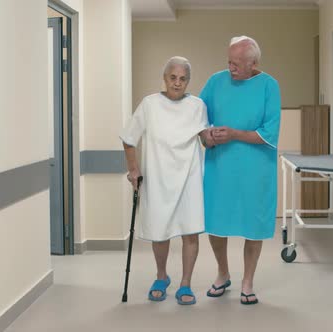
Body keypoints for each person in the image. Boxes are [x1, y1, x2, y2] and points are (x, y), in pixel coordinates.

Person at [120, 56, 214, 305]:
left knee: (190, 232)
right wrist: (133, 169)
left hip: (189, 177)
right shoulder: (149, 104)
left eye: (183, 79)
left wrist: (214, 136)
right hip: (158, 177)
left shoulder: (197, 106)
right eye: (173, 77)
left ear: (188, 81)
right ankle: (161, 276)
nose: (177, 83)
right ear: (165, 78)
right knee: (159, 233)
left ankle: (186, 284)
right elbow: (129, 138)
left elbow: (205, 139)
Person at [200, 36, 281, 305]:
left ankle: (248, 281)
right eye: (229, 62)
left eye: (236, 64)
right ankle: (223, 274)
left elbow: (269, 133)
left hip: (255, 170)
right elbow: (197, 117)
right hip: (220, 167)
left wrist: (234, 134)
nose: (230, 68)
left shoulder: (269, 86)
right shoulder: (215, 82)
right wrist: (206, 135)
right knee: (216, 223)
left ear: (253, 63)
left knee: (253, 226)